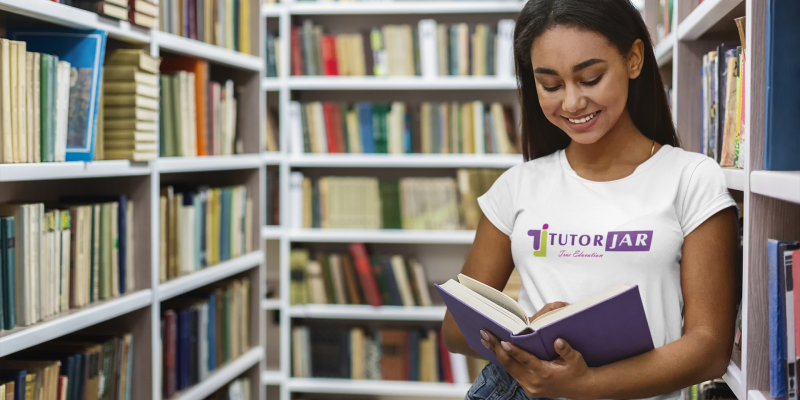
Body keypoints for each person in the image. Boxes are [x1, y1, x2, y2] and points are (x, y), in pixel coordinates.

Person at [440, 0, 739, 399]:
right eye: (551, 85)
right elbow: (454, 329)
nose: (571, 103)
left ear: (633, 59)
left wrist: (587, 384)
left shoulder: (690, 178)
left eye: (591, 78)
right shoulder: (516, 187)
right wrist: (529, 334)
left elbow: (709, 348)